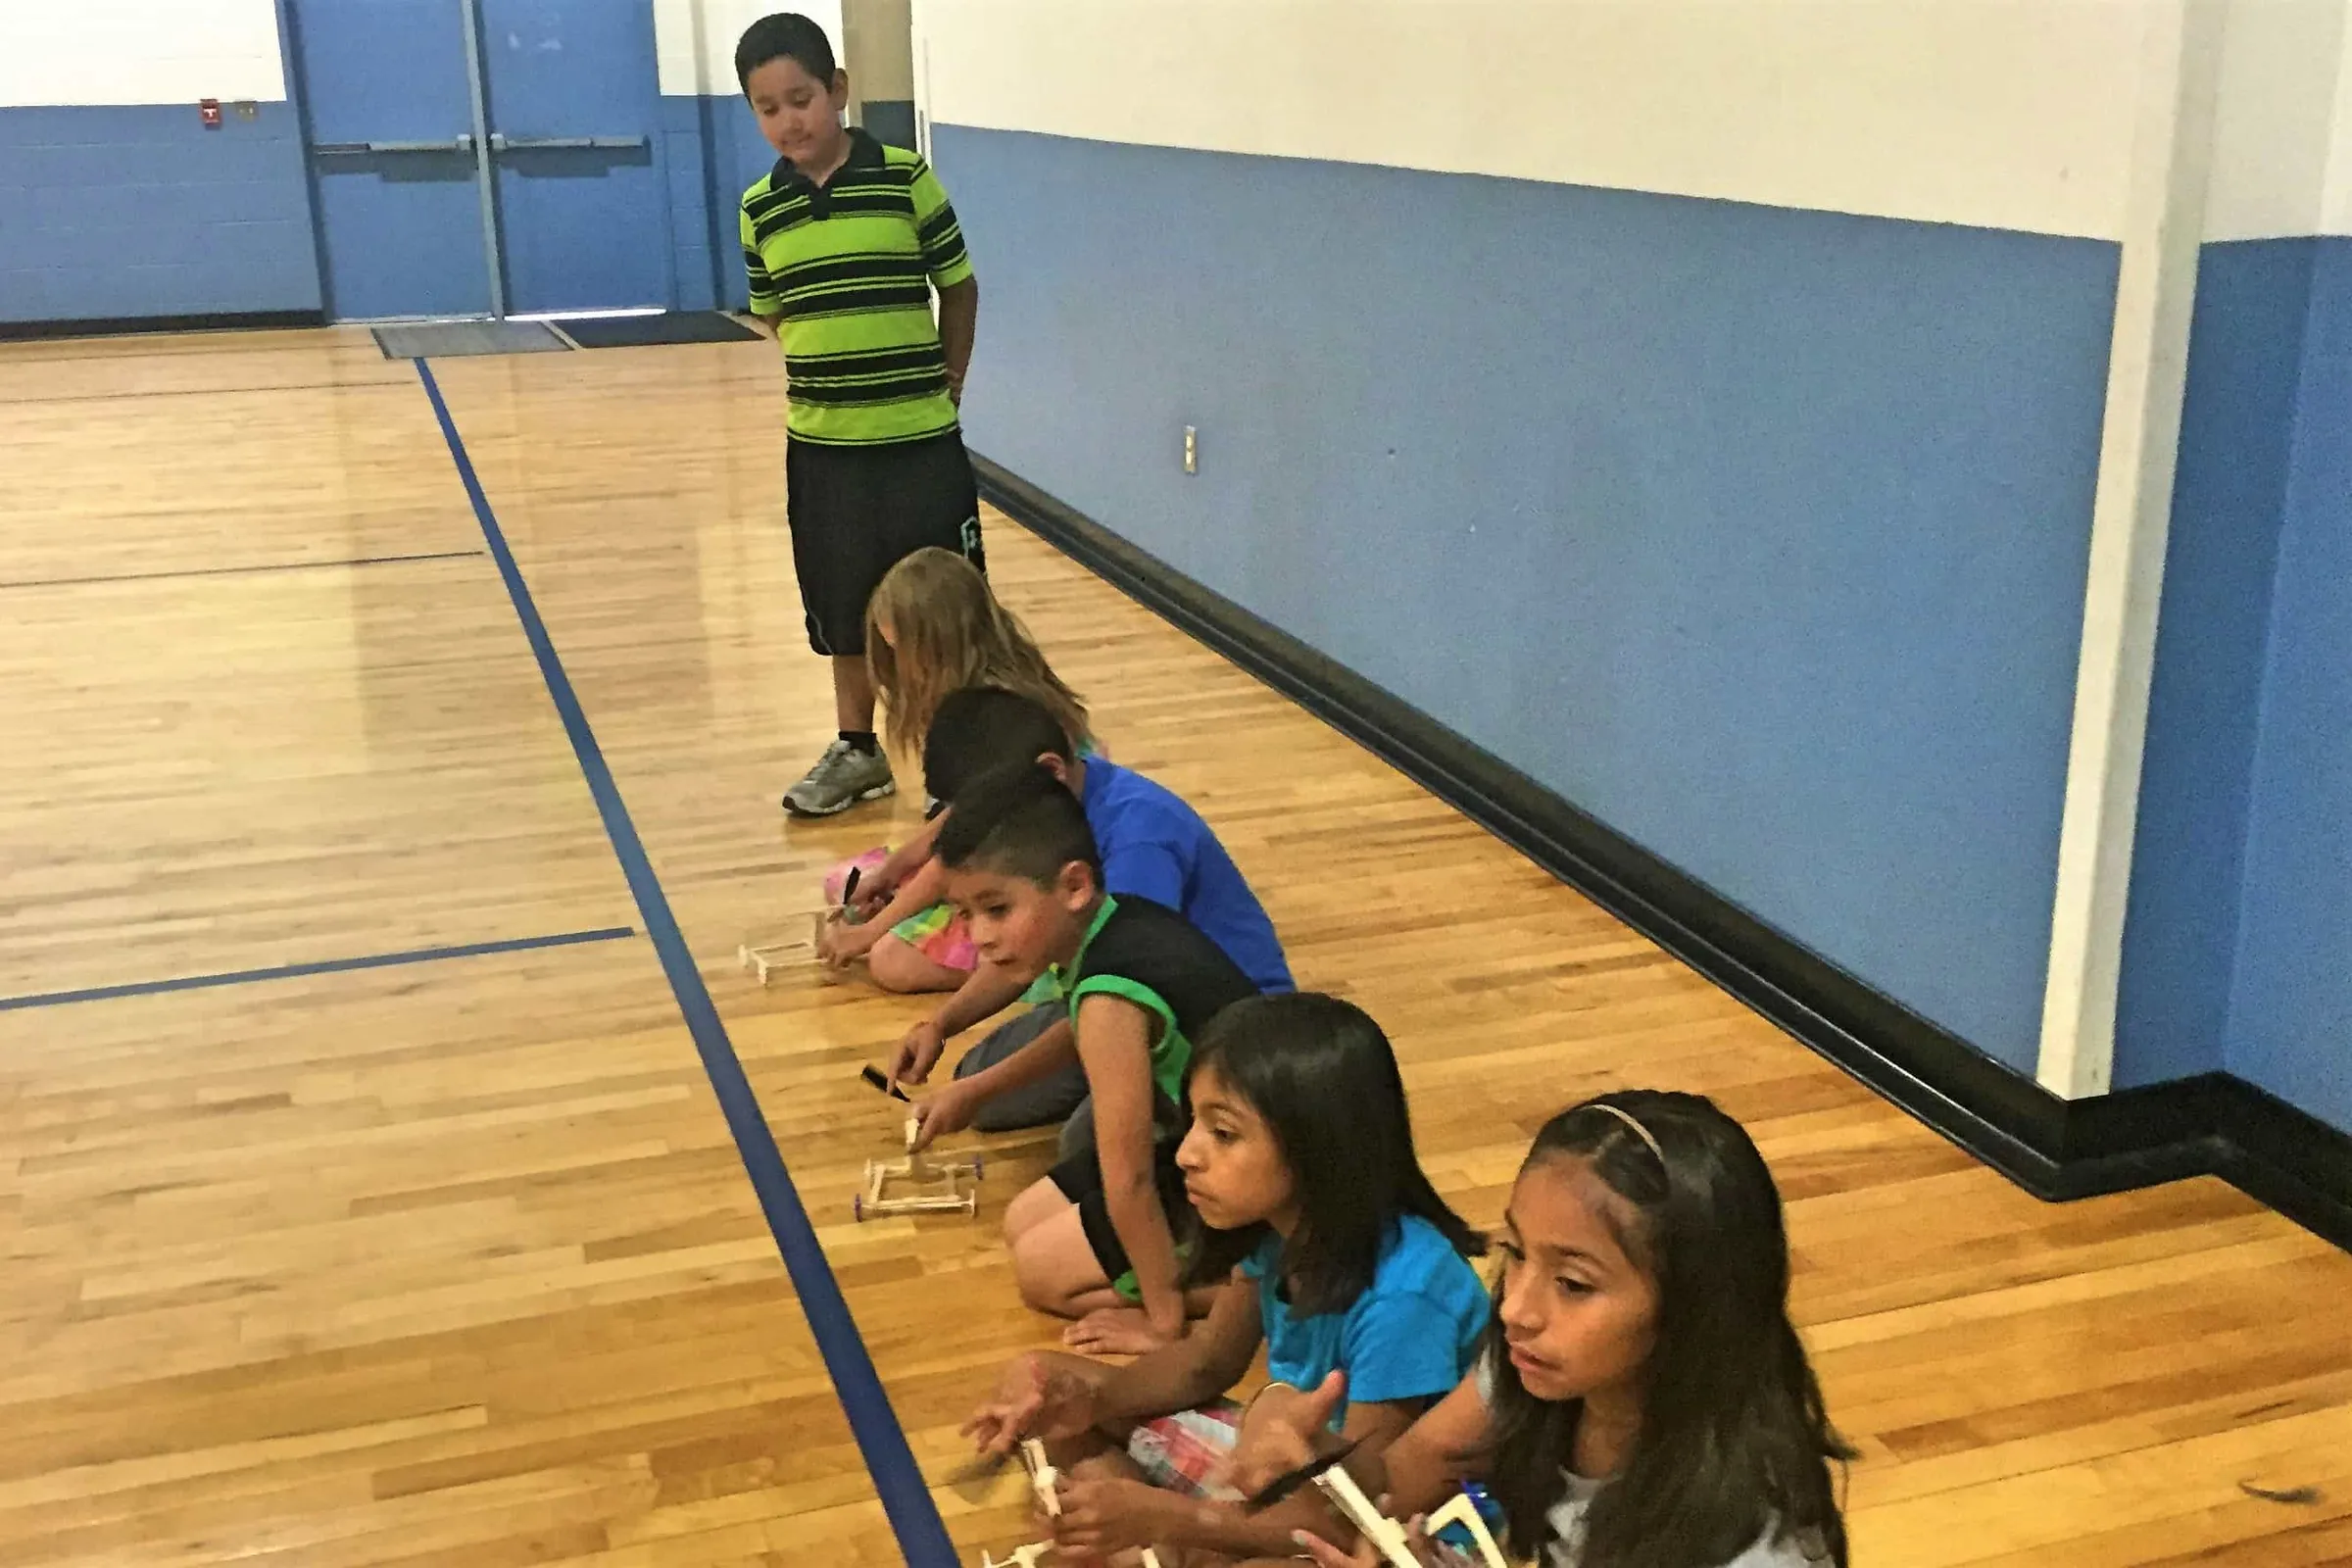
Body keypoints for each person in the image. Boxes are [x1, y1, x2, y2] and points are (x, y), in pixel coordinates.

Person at [964, 995, 1490, 1563]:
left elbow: (1361, 1511)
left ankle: (1149, 1540)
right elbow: (1206, 1361)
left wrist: (1173, 1517)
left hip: (1384, 1528)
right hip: (1282, 1469)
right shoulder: (1276, 1232)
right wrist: (1091, 1405)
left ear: (1317, 1146)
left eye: (1223, 1132)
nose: (1187, 1153)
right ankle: (1142, 1536)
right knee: (1041, 1381)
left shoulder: (1405, 1297)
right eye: (1193, 1122)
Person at [1230, 1092, 1852, 1568]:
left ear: (1696, 1308)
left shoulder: (1756, 1545)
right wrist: (1311, 1459)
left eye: (1574, 1284)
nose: (1514, 1311)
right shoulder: (1536, 1369)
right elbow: (1409, 1468)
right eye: (1517, 1253)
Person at [735, 14, 984, 817]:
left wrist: (949, 379)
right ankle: (859, 751)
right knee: (842, 608)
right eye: (767, 108)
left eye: (801, 98)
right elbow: (772, 313)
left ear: (837, 91)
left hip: (920, 448)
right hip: (824, 454)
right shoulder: (758, 211)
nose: (788, 121)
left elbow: (960, 284)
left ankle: (958, 764)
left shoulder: (906, 178)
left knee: (942, 612)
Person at [924, 762, 1258, 1348]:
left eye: (997, 909)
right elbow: (1083, 1030)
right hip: (1207, 1141)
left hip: (1250, 1175)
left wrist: (1161, 1322)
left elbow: (1127, 1178)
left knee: (1042, 1276)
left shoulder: (1109, 991)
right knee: (1021, 1224)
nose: (978, 936)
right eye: (965, 914)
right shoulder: (1111, 921)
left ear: (1074, 886)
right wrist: (977, 1089)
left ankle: (1261, 1292)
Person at [893, 688, 1292, 1156]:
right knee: (978, 1086)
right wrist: (941, 1025)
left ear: (1049, 772)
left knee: (1081, 1148)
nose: (980, 934)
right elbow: (1023, 955)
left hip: (1231, 1039)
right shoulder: (1075, 797)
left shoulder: (1139, 845)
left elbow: (1112, 1000)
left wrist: (980, 1089)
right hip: (1132, 1002)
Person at [815, 550, 1093, 993]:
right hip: (1005, 851)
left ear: (938, 643)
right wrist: (894, 870)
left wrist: (869, 933)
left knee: (891, 960)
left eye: (900, 650)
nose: (897, 667)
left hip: (1032, 869)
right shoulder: (982, 699)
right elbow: (965, 813)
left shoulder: (1000, 718)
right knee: (851, 885)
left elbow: (957, 850)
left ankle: (1017, 960)